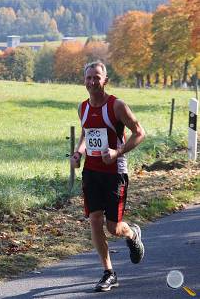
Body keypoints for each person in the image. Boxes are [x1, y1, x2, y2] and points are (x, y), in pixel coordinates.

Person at [70, 61, 145, 292]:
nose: (92, 82)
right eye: (88, 77)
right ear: (84, 80)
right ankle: (109, 272)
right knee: (94, 219)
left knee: (113, 228)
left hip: (115, 173)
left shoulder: (116, 106)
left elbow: (139, 133)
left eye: (97, 77)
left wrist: (117, 152)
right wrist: (78, 153)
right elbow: (86, 132)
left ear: (105, 80)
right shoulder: (82, 107)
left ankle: (132, 233)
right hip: (91, 172)